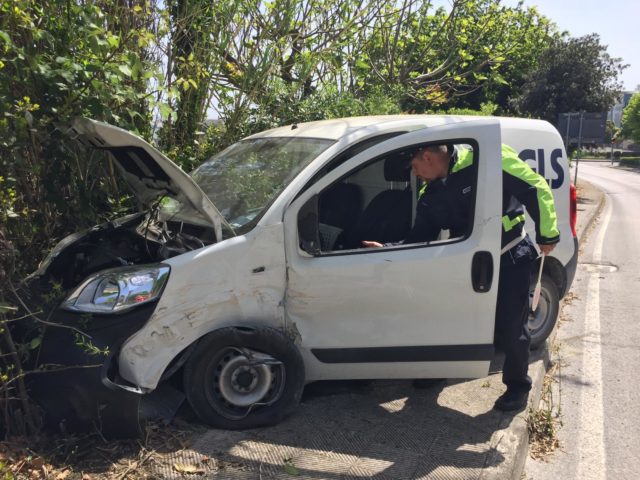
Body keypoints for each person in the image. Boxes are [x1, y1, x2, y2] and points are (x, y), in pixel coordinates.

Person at [363, 144, 559, 411]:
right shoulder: (430, 192)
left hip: (509, 255)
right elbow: (419, 238)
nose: (415, 173)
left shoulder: (487, 158)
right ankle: (440, 368)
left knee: (512, 326)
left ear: (428, 157)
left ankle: (518, 386)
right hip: (468, 262)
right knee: (449, 316)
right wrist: (386, 250)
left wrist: (548, 234)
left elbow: (534, 187)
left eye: (414, 166)